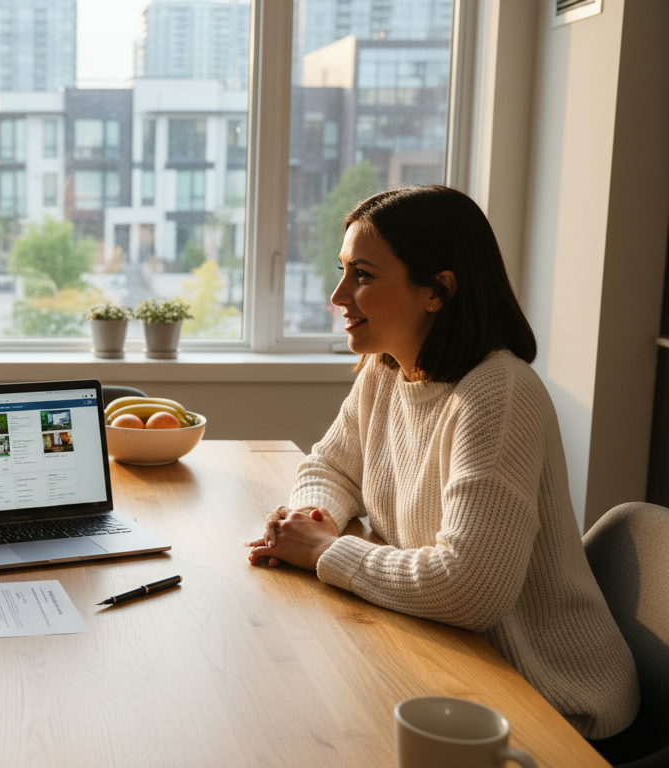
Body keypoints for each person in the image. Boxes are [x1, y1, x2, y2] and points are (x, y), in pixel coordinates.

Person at [243, 186, 638, 744]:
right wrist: (316, 516)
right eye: (342, 271)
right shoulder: (387, 370)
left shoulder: (498, 395)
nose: (337, 295)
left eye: (362, 275)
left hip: (549, 703)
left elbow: (470, 587)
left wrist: (327, 551)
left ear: (437, 291)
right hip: (457, 662)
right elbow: (331, 466)